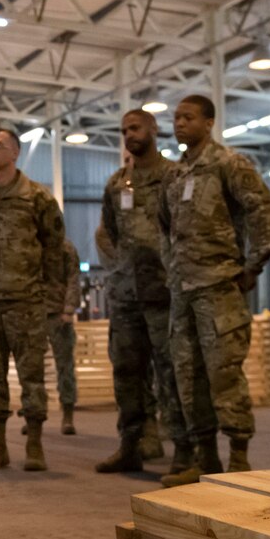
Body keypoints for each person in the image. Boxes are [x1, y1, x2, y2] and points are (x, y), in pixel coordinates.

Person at [156, 95, 270, 485]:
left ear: (209, 122)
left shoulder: (229, 164)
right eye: (176, 117)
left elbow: (264, 211)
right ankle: (205, 460)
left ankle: (239, 460)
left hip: (219, 289)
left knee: (224, 374)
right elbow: (165, 228)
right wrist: (171, 270)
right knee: (188, 376)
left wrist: (252, 265)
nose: (179, 124)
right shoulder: (174, 175)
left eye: (188, 117)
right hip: (183, 293)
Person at [0, 126, 68, 472]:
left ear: (16, 152)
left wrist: (52, 299)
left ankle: (34, 444)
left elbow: (55, 250)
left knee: (31, 376)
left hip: (26, 304)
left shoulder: (37, 197)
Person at [94, 110, 189, 473]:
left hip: (165, 294)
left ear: (153, 129)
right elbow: (107, 231)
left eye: (135, 128)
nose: (128, 135)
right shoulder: (118, 184)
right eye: (123, 131)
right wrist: (118, 267)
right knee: (127, 371)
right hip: (126, 296)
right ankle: (130, 444)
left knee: (172, 373)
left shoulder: (174, 177)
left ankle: (183, 450)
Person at [48, 239, 82, 435]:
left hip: (59, 313)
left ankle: (68, 414)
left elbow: (73, 278)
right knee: (31, 368)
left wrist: (69, 309)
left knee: (65, 366)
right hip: (34, 312)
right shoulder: (31, 245)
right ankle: (34, 414)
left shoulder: (66, 247)